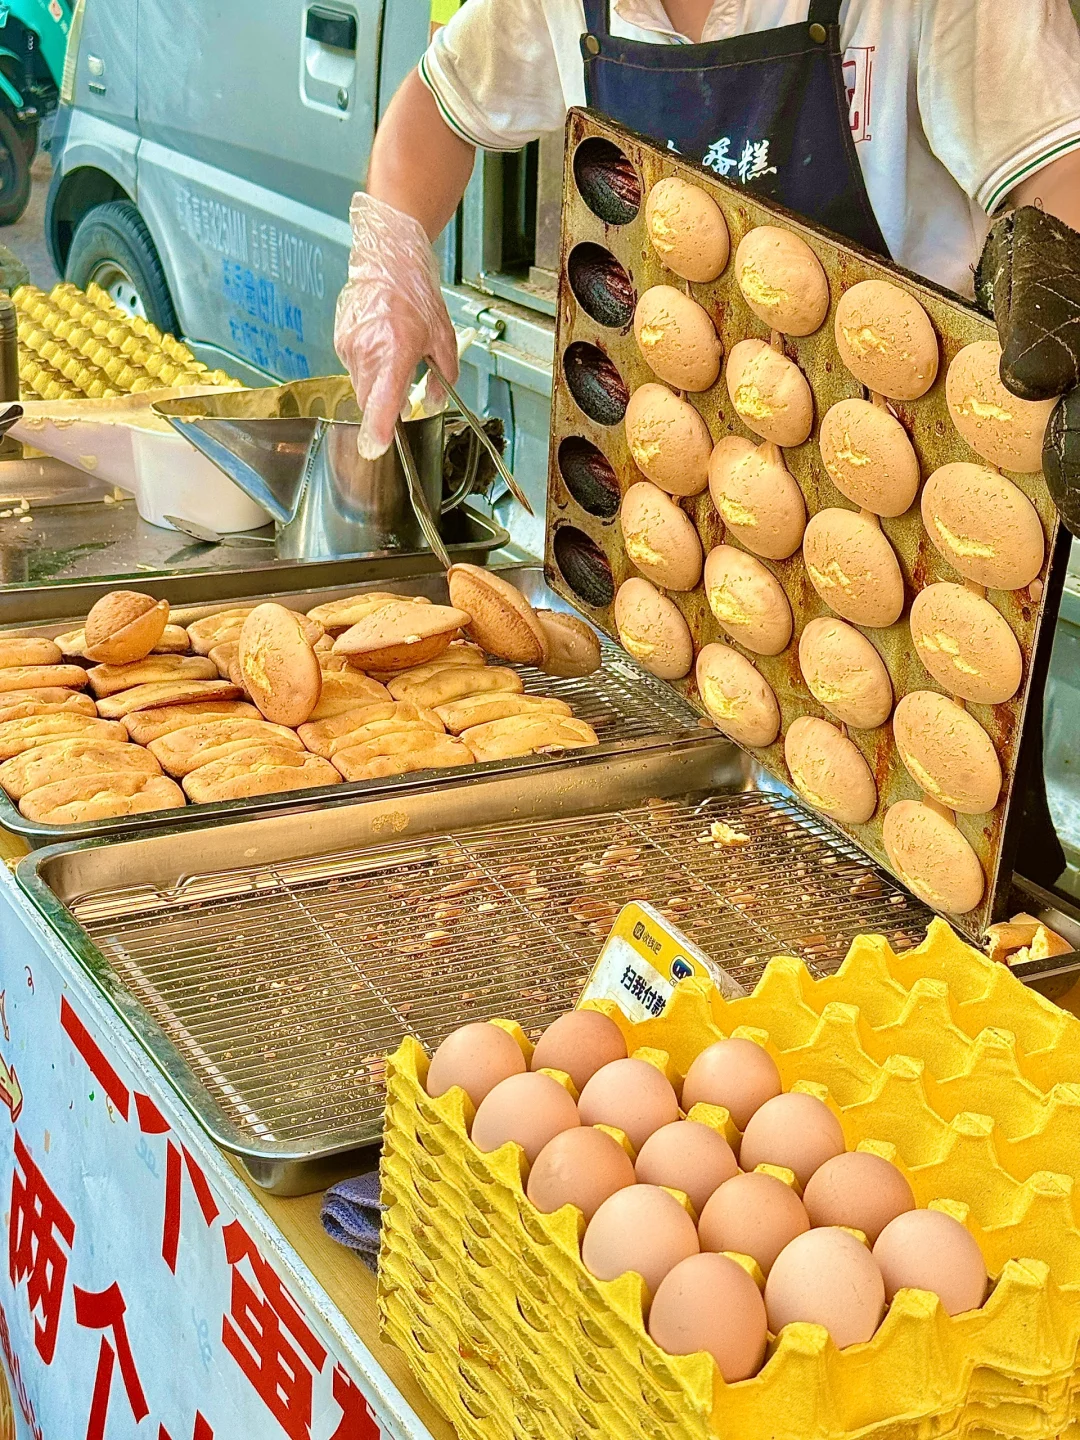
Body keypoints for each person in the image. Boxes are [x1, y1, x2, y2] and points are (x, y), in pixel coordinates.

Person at [333, 0, 1080, 888]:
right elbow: (436, 102)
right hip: (671, 507)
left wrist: (1062, 279)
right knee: (683, 859)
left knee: (925, 881)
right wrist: (390, 255)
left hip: (908, 531)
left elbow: (1054, 166)